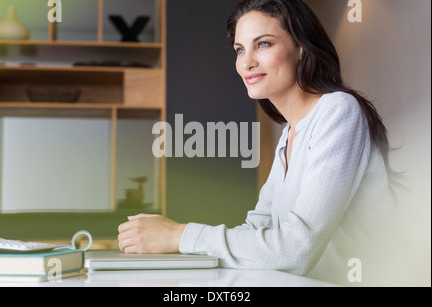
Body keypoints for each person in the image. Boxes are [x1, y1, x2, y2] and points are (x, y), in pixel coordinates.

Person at [118, 0, 398, 286]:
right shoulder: (289, 133)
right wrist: (171, 251)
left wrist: (178, 235)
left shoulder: (338, 110)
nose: (246, 62)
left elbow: (295, 250)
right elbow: (258, 231)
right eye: (240, 50)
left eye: (263, 44)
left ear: (301, 48)